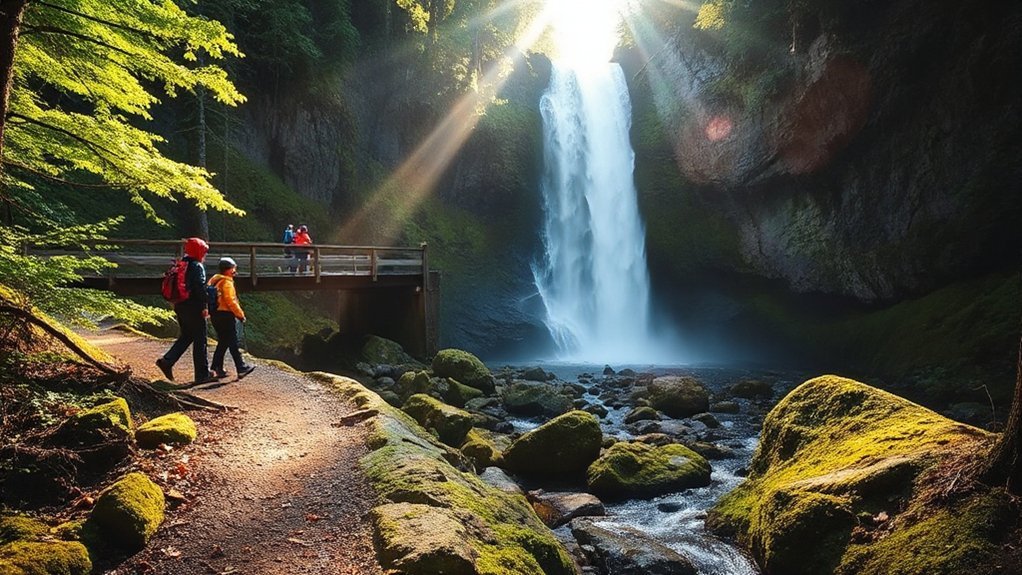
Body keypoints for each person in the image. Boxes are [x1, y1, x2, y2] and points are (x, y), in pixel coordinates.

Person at [156, 237, 214, 384]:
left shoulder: (181, 264)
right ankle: (202, 375)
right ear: (198, 251)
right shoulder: (196, 266)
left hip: (179, 305)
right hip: (193, 306)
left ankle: (167, 361)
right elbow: (199, 290)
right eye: (204, 251)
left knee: (187, 335)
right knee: (200, 339)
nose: (205, 254)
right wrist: (209, 301)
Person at [207, 257, 256, 380]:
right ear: (229, 270)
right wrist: (240, 314)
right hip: (225, 315)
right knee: (232, 341)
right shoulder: (227, 282)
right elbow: (231, 301)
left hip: (215, 314)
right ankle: (241, 367)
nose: (235, 270)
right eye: (234, 268)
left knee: (223, 341)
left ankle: (216, 368)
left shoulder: (214, 280)